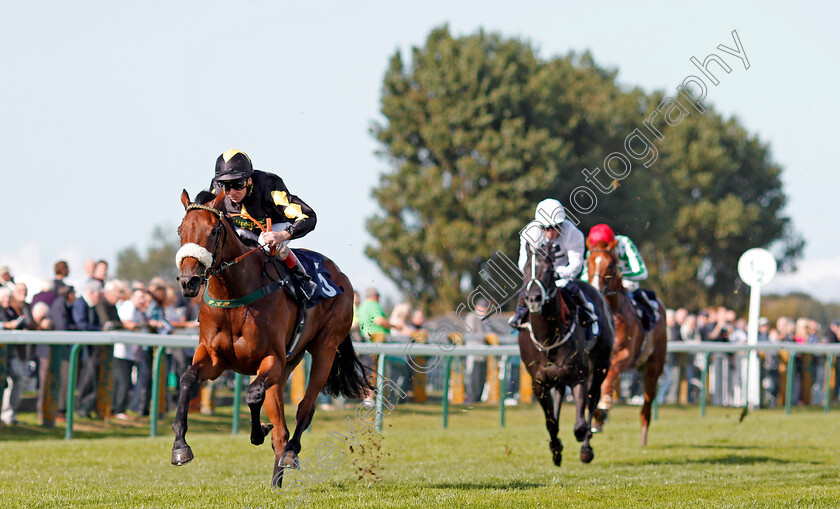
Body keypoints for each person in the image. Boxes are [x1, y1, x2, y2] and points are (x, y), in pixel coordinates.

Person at [200, 148, 317, 300]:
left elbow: (309, 216)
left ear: (249, 180)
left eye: (238, 184)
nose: (231, 192)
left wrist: (283, 234)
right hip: (243, 229)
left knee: (265, 242)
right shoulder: (217, 189)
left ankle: (303, 279)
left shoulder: (269, 186)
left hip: (274, 228)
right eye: (226, 186)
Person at [508, 199, 599, 340]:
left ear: (562, 224)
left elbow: (576, 265)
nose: (550, 232)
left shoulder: (574, 234)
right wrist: (536, 276)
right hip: (539, 276)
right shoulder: (529, 234)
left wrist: (558, 274)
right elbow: (524, 263)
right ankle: (519, 316)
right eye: (545, 228)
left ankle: (588, 312)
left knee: (573, 289)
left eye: (555, 227)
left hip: (562, 276)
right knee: (526, 290)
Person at [582, 223, 660, 330]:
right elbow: (584, 278)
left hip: (627, 283)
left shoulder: (625, 243)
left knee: (631, 289)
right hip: (602, 286)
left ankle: (649, 320)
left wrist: (619, 275)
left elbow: (642, 272)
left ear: (612, 244)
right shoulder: (593, 252)